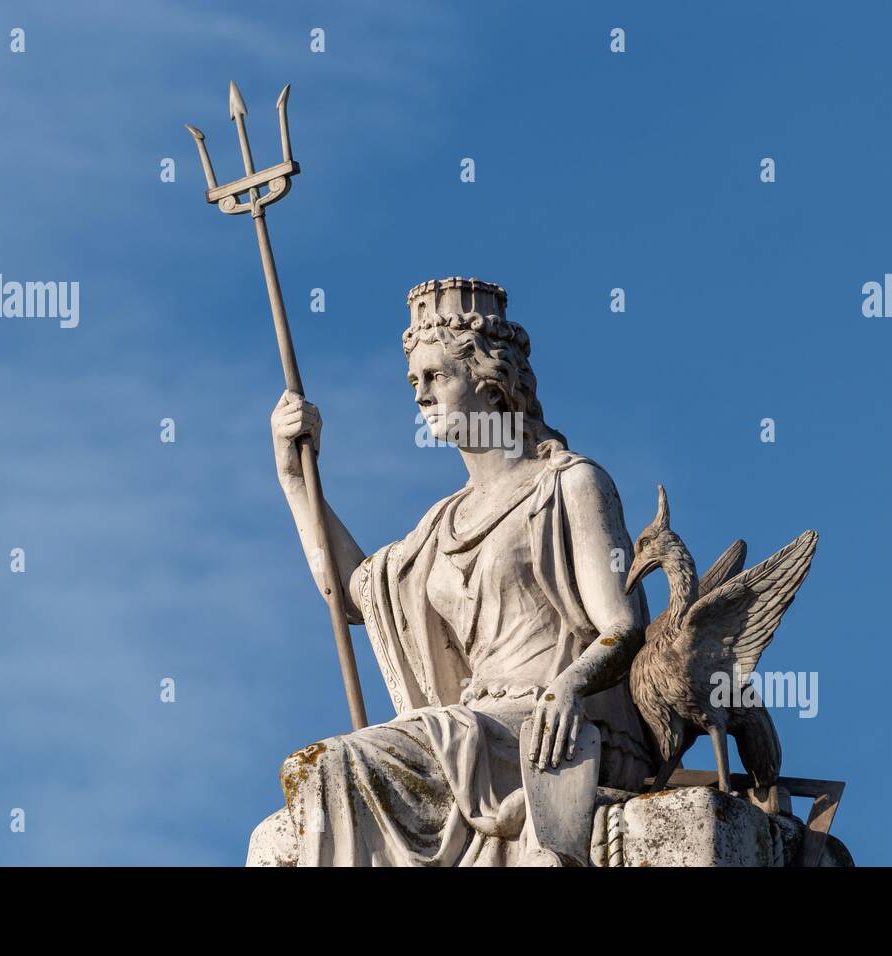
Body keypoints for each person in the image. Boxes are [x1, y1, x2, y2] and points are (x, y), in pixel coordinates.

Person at [263, 277, 658, 866]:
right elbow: (353, 595)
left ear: (492, 384)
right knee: (296, 803)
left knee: (337, 763)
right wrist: (297, 481)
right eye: (413, 382)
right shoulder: (438, 525)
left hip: (541, 725)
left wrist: (568, 687)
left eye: (436, 377)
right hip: (468, 725)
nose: (420, 396)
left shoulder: (569, 484)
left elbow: (620, 627)